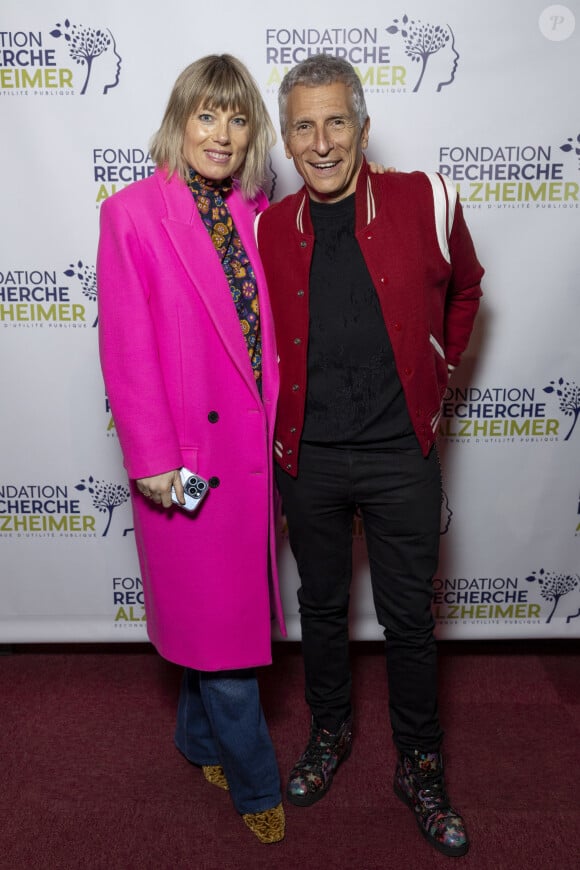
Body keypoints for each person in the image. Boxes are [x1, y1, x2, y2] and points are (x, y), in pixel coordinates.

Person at [255, 55, 484, 858]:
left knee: (408, 623)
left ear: (362, 124)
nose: (322, 144)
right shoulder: (266, 228)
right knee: (319, 608)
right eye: (304, 127)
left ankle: (420, 767)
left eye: (336, 122)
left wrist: (441, 367)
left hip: (399, 454)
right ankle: (329, 733)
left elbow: (468, 287)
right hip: (308, 457)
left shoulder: (428, 197)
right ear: (285, 137)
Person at [97, 54, 286, 844]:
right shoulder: (133, 212)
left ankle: (196, 738)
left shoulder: (259, 210)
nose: (223, 133)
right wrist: (150, 461)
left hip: (251, 457)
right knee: (225, 639)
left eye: (238, 118)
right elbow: (129, 348)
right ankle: (257, 787)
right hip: (187, 466)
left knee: (214, 624)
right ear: (180, 122)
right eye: (207, 114)